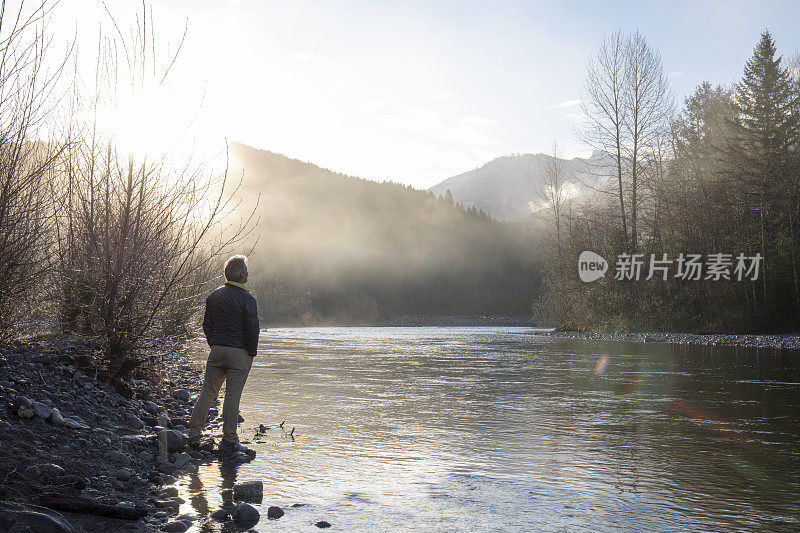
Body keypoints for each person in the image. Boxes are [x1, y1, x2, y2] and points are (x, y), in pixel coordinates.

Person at [188, 255, 259, 457]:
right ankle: (229, 441)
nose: (248, 274)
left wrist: (215, 343)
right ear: (242, 275)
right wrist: (250, 353)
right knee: (232, 396)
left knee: (208, 393)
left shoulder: (214, 296)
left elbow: (207, 325)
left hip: (217, 350)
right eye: (247, 271)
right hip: (239, 353)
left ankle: (194, 435)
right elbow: (253, 330)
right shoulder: (248, 299)